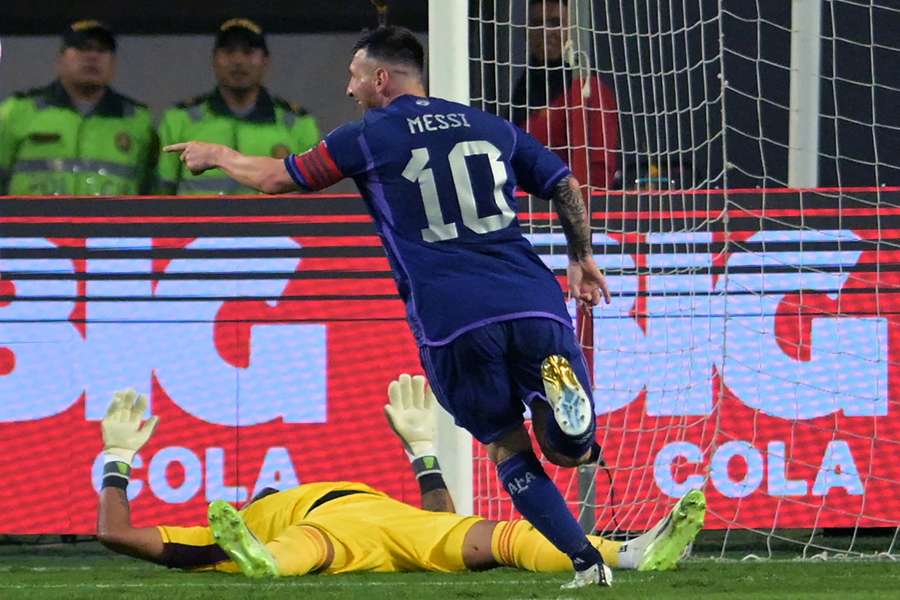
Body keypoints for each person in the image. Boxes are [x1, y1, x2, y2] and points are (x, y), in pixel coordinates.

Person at [164, 26, 614, 588]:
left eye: (354, 76)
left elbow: (279, 178)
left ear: (380, 78)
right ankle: (568, 427)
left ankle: (585, 561)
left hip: (454, 315)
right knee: (569, 453)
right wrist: (582, 257)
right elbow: (566, 183)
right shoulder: (488, 124)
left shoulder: (368, 136)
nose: (350, 90)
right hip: (532, 297)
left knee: (506, 443)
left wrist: (219, 154)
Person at [95, 377, 707, 579]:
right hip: (320, 533)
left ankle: (630, 553)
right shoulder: (230, 525)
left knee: (499, 535)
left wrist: (421, 452)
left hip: (392, 526)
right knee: (300, 549)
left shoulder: (256, 511)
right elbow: (116, 534)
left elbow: (437, 520)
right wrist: (116, 462)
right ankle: (265, 562)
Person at [156, 18, 320, 195]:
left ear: (265, 61)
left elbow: (313, 202)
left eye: (248, 51)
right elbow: (160, 194)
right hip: (199, 224)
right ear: (214, 59)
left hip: (270, 224)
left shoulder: (298, 124)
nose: (238, 60)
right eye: (229, 51)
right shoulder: (179, 120)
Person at [0, 20, 157, 195]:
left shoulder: (137, 120)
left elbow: (152, 190)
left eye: (102, 50)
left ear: (113, 64)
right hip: (31, 222)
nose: (92, 56)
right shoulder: (17, 111)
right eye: (82, 47)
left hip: (110, 223)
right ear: (60, 59)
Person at [510, 0, 618, 189]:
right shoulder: (522, 90)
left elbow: (600, 171)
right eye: (536, 23)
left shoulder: (588, 90)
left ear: (571, 30)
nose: (545, 31)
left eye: (554, 22)